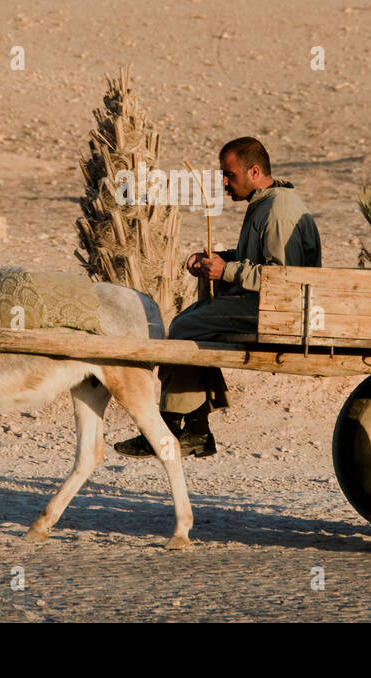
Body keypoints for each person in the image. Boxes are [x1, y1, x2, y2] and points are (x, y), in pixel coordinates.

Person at [115, 137, 322, 459]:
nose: (224, 182)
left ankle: (167, 431)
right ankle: (196, 431)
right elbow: (253, 258)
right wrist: (217, 260)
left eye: (231, 175)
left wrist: (227, 271)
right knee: (195, 326)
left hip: (280, 310)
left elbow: (285, 278)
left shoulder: (278, 210)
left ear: (255, 171)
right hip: (261, 302)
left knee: (185, 327)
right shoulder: (266, 202)